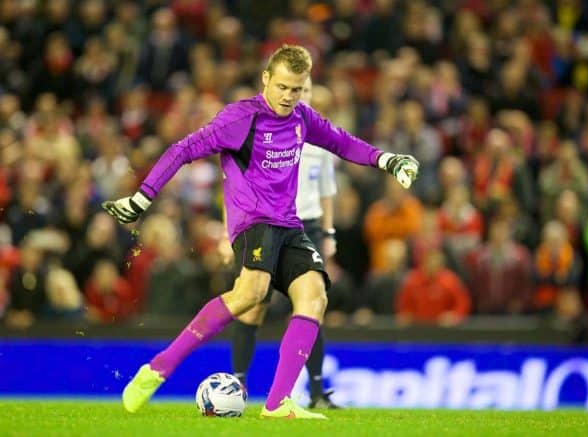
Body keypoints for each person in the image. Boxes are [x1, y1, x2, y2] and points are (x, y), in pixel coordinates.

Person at [102, 44, 419, 419]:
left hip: (289, 224)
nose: (288, 96)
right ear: (266, 79)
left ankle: (277, 403)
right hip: (253, 222)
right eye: (282, 86)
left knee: (315, 296)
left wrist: (387, 159)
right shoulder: (240, 119)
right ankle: (158, 369)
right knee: (249, 294)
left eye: (296, 89)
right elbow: (182, 150)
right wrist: (142, 198)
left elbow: (341, 142)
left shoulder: (302, 118)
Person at [221, 77, 340, 409]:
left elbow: (327, 192)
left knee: (313, 303)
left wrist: (329, 234)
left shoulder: (320, 140)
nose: (299, 96)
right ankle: (238, 385)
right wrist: (224, 232)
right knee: (251, 303)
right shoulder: (262, 132)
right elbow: (233, 183)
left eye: (306, 90)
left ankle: (316, 391)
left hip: (308, 225)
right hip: (266, 224)